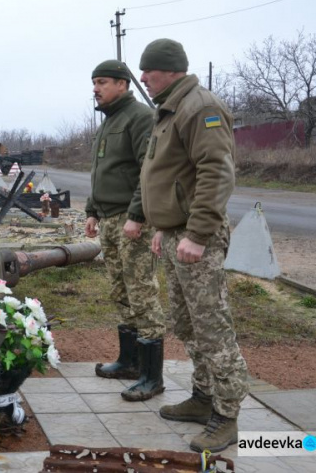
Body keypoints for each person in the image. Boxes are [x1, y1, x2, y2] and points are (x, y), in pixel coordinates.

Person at [138, 39, 249, 453]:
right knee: (186, 324)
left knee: (212, 327)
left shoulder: (199, 107)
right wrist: (161, 226)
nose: (144, 78)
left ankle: (227, 414)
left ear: (169, 70)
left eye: (148, 71)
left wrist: (198, 235)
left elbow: (216, 173)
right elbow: (165, 174)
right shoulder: (168, 109)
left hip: (196, 238)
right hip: (175, 235)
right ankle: (204, 398)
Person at [85, 60, 166, 402]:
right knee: (121, 289)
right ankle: (130, 362)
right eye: (94, 83)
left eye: (102, 82)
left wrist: (137, 214)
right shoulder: (108, 122)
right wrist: (91, 210)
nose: (96, 88)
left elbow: (149, 172)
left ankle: (152, 377)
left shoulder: (139, 117)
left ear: (122, 84)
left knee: (141, 291)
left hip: (133, 221)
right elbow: (102, 171)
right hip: (109, 219)